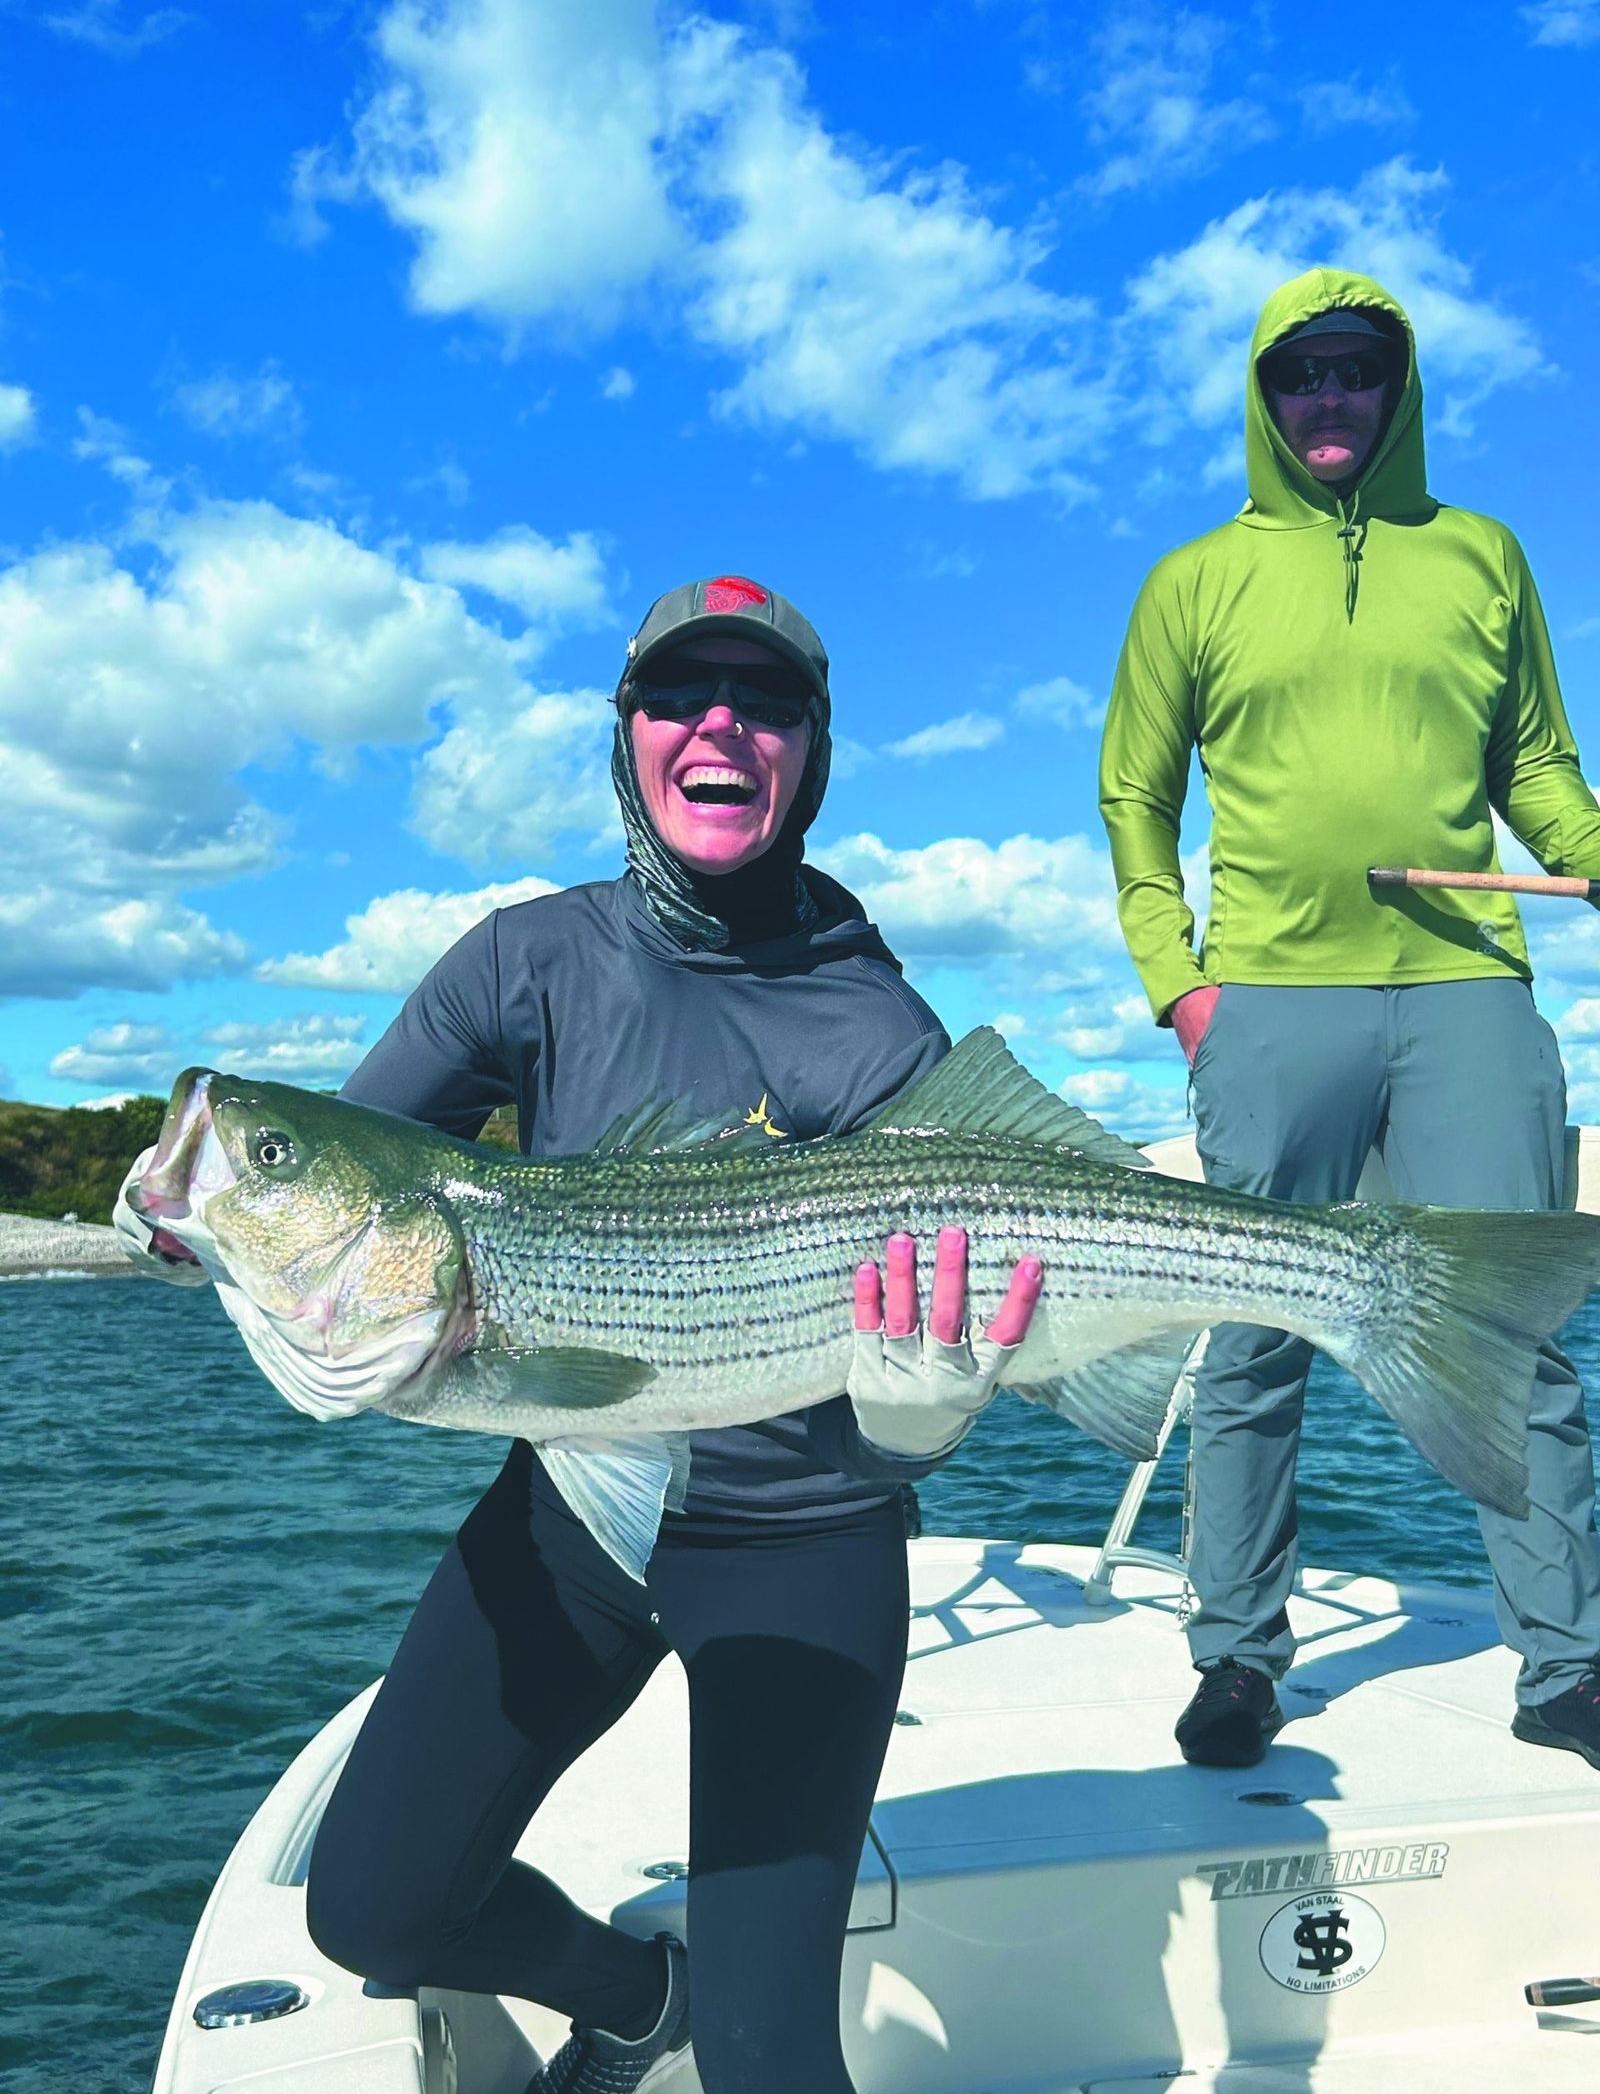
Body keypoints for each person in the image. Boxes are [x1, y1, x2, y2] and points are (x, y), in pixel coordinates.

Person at [299, 575, 1042, 2094]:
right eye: (678, 693)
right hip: (576, 1507)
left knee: (775, 2066)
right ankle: (639, 1997)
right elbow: (347, 1178)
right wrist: (218, 1224)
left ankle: (724, 2019)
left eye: (765, 702)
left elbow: (941, 1360)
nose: (720, 724)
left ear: (811, 753)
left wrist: (926, 1413)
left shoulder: (878, 1024)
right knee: (372, 1908)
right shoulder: (525, 958)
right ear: (625, 733)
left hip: (808, 1539)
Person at [1098, 268, 1600, 1773]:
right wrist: (1181, 983)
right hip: (1269, 1001)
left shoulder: (1484, 555)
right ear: (1266, 393)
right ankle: (1238, 1655)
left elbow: (1537, 765)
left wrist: (1589, 847)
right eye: (1301, 371)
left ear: (1398, 389)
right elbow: (1135, 791)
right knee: (1257, 1335)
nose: (1329, 395)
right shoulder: (1193, 580)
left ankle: (1568, 1661)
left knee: (1517, 1332)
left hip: (1468, 987)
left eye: (1357, 370)